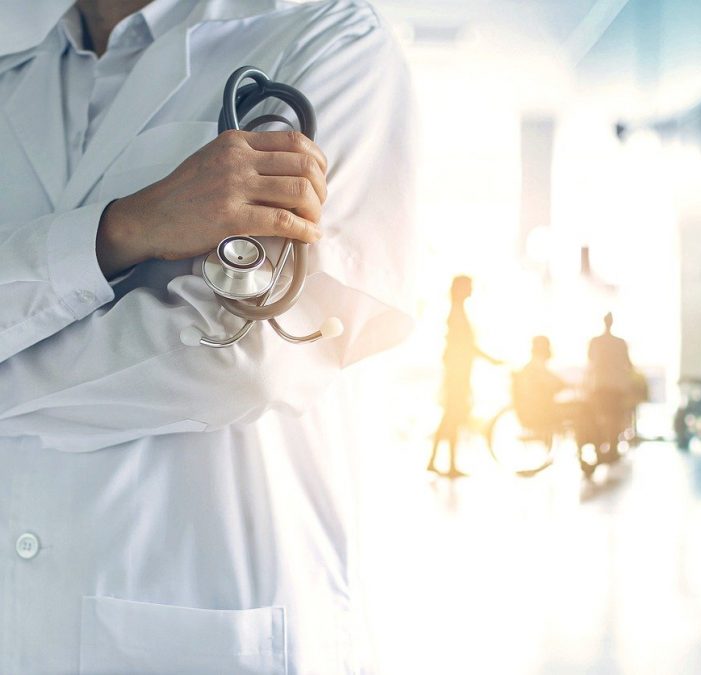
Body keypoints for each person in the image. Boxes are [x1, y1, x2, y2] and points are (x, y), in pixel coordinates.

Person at [0, 1, 416, 673]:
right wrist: (121, 229)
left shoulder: (327, 36)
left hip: (207, 620)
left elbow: (252, 358)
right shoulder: (14, 70)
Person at [428, 275, 500, 478]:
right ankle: (446, 463)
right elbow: (466, 346)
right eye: (469, 286)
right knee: (453, 417)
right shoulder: (457, 313)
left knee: (450, 418)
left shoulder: (457, 312)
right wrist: (491, 359)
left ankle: (438, 461)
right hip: (458, 375)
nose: (472, 290)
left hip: (458, 373)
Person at [585, 312, 636, 446]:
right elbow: (628, 364)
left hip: (600, 385)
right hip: (616, 386)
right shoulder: (620, 343)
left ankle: (600, 443)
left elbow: (590, 361)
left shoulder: (595, 341)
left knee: (601, 415)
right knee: (615, 416)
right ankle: (612, 444)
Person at [513, 335, 569, 434]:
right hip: (542, 412)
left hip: (534, 410)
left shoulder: (531, 366)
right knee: (583, 410)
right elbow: (554, 382)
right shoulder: (537, 366)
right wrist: (565, 385)